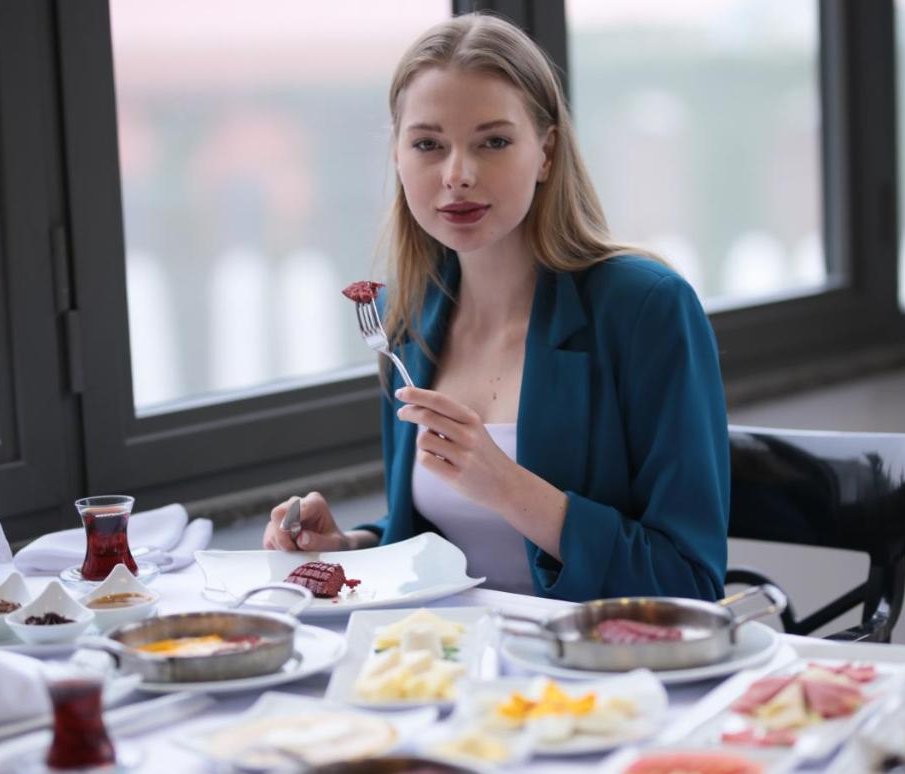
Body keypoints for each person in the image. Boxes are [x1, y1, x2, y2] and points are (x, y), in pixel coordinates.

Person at [263, 13, 729, 602]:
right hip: (451, 668)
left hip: (598, 678)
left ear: (546, 154)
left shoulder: (647, 310)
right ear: (399, 156)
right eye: (428, 144)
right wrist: (350, 546)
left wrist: (509, 487)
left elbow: (690, 581)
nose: (457, 175)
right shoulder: (405, 318)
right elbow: (445, 541)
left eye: (494, 142)